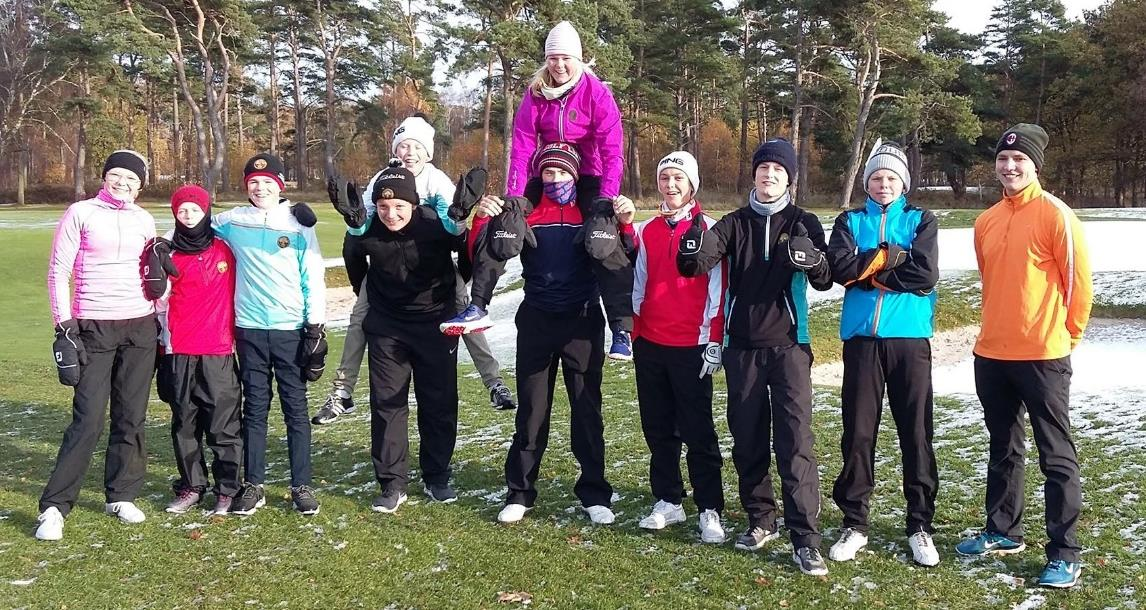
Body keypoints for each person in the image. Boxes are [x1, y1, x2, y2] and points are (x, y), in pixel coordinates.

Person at [676, 138, 833, 576]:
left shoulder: (803, 222)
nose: (769, 176)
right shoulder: (733, 223)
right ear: (754, 176)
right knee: (747, 439)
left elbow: (823, 279)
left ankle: (806, 539)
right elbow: (697, 263)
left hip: (789, 348)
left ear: (789, 178)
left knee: (795, 443)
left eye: (778, 171)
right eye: (763, 169)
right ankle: (761, 519)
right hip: (741, 349)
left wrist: (812, 261)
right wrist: (691, 246)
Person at [956, 123, 1093, 589]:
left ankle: (1064, 551)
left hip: (1042, 356)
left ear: (1035, 165)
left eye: (1019, 161)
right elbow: (992, 282)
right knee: (1003, 447)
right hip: (992, 353)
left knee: (1056, 455)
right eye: (1002, 160)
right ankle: (1002, 530)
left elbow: (1079, 287)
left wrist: (1066, 337)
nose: (1010, 167)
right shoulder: (986, 220)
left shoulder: (1057, 215)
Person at [316, 114, 515, 424]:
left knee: (465, 312)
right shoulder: (383, 178)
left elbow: (453, 227)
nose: (409, 152)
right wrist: (356, 222)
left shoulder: (436, 180)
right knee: (359, 317)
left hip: (432, 267)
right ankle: (342, 391)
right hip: (386, 269)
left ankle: (494, 382)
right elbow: (364, 225)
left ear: (428, 152)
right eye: (403, 146)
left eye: (416, 147)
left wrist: (457, 219)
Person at [472, 143, 618, 525]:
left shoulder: (590, 209)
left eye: (563, 173)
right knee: (533, 411)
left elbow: (620, 257)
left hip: (582, 321)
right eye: (548, 173)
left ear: (575, 174)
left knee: (587, 410)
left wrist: (625, 222)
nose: (555, 179)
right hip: (537, 319)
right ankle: (520, 492)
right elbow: (486, 254)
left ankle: (594, 493)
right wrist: (482, 221)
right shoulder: (525, 209)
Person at [825, 141, 941, 567]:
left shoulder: (920, 219)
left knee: (915, 431)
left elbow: (925, 271)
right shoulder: (849, 220)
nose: (884, 184)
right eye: (876, 177)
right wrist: (892, 258)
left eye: (891, 177)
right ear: (866, 182)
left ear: (904, 182)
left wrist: (868, 271)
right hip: (861, 341)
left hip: (909, 339)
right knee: (857, 433)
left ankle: (920, 525)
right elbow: (840, 269)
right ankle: (854, 523)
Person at [36, 150, 157, 541]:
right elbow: (58, 271)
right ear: (104, 177)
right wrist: (64, 326)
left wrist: (161, 300)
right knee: (88, 419)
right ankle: (55, 506)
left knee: (131, 416)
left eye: (131, 179)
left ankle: (120, 494)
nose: (123, 183)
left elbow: (152, 273)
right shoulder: (81, 212)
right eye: (116, 175)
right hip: (93, 325)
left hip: (140, 325)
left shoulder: (143, 218)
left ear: (141, 185)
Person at [498, 21, 633, 361]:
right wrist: (515, 192)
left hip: (589, 177)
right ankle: (477, 304)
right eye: (553, 58)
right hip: (548, 171)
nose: (558, 66)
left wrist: (606, 196)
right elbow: (523, 144)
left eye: (565, 59)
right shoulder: (536, 93)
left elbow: (612, 150)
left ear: (579, 59)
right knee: (505, 224)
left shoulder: (597, 93)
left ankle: (620, 327)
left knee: (604, 240)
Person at [343, 161, 467, 513]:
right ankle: (392, 482)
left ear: (413, 205)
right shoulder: (367, 229)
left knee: (439, 403)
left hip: (435, 326)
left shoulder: (432, 224)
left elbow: (465, 248)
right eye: (383, 207)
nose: (391, 214)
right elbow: (352, 257)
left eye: (399, 206)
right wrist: (364, 292)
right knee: (387, 404)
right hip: (387, 328)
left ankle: (437, 474)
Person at [212, 153, 327, 516]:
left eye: (268, 183)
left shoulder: (298, 223)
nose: (260, 188)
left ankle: (301, 485)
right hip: (249, 329)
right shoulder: (233, 221)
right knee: (255, 410)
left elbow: (313, 276)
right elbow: (192, 225)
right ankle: (254, 484)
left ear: (280, 186)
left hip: (290, 330)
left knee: (295, 410)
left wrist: (315, 326)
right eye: (253, 183)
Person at [628, 152, 727, 543]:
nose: (671, 185)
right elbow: (638, 284)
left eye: (678, 179)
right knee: (658, 428)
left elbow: (720, 289)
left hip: (694, 344)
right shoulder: (646, 231)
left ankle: (709, 507)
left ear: (692, 185)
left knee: (698, 430)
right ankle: (668, 499)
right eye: (665, 178)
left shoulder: (711, 230)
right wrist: (634, 333)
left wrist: (715, 339)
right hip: (651, 343)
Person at [142, 185, 243, 516]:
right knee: (185, 424)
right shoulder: (166, 253)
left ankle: (227, 489)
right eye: (181, 210)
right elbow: (158, 301)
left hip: (218, 351)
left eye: (194, 209)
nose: (188, 215)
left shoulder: (226, 248)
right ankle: (192, 486)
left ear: (206, 211)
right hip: (179, 349)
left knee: (223, 425)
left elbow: (249, 218)